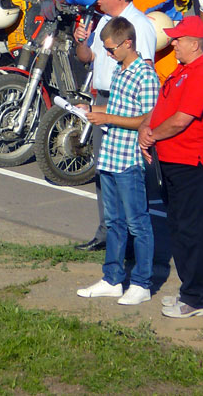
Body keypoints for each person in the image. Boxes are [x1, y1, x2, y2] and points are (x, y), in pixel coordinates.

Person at [138, 15, 203, 318]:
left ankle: (197, 299)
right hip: (174, 159)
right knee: (179, 226)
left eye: (178, 39)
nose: (172, 43)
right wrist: (146, 130)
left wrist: (152, 136)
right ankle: (189, 291)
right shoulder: (184, 69)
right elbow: (163, 109)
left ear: (195, 43)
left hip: (192, 162)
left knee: (192, 230)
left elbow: (182, 120)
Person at [72, 0, 157, 252]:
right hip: (104, 97)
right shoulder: (104, 22)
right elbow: (90, 58)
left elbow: (144, 70)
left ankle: (132, 240)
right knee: (104, 169)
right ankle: (107, 233)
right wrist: (81, 41)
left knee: (128, 173)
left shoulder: (139, 26)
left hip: (125, 102)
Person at [76, 17, 159, 305]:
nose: (108, 54)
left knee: (138, 223)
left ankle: (142, 282)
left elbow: (149, 121)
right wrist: (92, 108)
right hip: (110, 156)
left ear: (128, 43)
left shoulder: (146, 75)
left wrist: (107, 117)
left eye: (111, 49)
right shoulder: (119, 70)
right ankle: (112, 279)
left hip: (129, 160)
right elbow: (118, 107)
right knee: (113, 222)